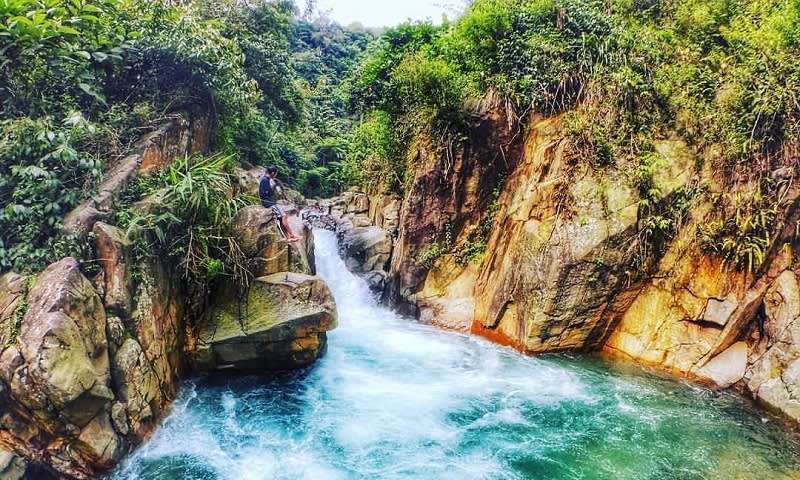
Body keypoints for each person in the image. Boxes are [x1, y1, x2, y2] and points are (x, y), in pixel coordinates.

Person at [259, 166, 302, 242]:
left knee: (281, 218)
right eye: (276, 173)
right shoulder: (265, 180)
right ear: (272, 173)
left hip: (269, 201)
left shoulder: (266, 180)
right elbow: (264, 193)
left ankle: (288, 237)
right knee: (284, 216)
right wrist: (272, 189)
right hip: (268, 202)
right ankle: (292, 234)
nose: (276, 175)